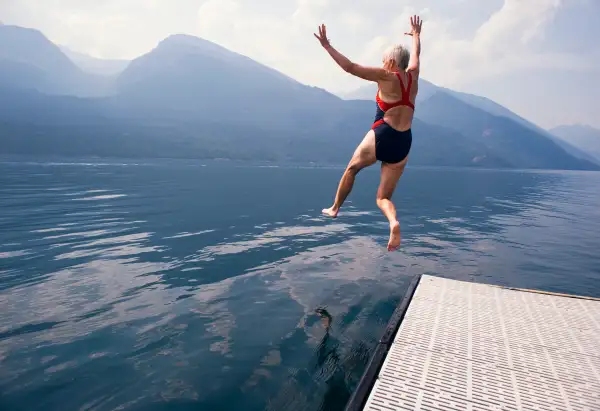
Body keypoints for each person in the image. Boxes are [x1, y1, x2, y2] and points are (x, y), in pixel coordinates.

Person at [314, 15, 422, 251]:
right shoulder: (414, 75)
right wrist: (416, 35)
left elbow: (350, 67)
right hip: (404, 143)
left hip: (383, 134)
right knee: (382, 198)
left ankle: (335, 208)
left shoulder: (386, 76)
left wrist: (327, 46)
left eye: (384, 60)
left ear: (392, 62)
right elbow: (416, 55)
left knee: (353, 168)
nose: (382, 64)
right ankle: (393, 221)